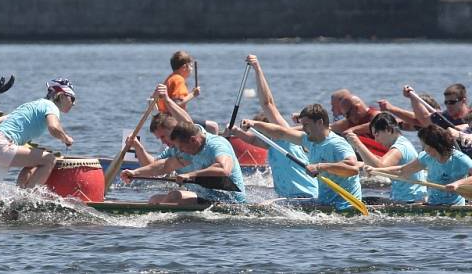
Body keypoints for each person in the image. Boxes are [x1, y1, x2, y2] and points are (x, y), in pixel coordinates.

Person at [225, 54, 317, 199]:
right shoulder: (274, 145)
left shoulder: (286, 138)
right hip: (287, 199)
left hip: (307, 196)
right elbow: (254, 141)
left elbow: (268, 103)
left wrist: (257, 68)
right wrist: (235, 131)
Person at [242, 104, 363, 211]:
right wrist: (255, 124)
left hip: (346, 205)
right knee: (270, 206)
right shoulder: (309, 140)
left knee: (271, 208)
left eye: (306, 124)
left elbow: (353, 168)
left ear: (320, 122)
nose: (303, 128)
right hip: (324, 202)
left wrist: (320, 167)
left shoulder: (337, 144)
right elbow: (281, 133)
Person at [0, 78, 76, 188]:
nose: (74, 103)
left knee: (34, 161)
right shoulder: (51, 106)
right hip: (0, 145)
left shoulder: (31, 105)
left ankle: (21, 193)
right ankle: (31, 197)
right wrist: (66, 138)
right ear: (62, 95)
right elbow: (53, 127)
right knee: (49, 159)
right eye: (72, 98)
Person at [121, 121, 246, 204]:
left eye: (181, 148)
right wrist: (135, 173)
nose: (179, 151)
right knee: (154, 200)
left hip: (230, 201)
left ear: (193, 140)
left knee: (175, 196)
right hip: (204, 197)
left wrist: (190, 175)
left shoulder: (217, 145)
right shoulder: (185, 147)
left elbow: (224, 169)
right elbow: (162, 165)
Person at [365, 125, 472, 206]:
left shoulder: (460, 159)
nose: (423, 149)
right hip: (432, 205)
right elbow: (402, 171)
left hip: (455, 207)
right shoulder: (426, 157)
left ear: (433, 145)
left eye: (424, 145)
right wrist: (376, 170)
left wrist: (458, 183)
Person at [346, 112, 427, 203]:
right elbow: (379, 163)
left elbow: (379, 168)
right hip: (410, 198)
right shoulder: (404, 143)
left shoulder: (399, 148)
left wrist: (358, 144)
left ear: (388, 130)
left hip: (409, 201)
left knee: (362, 201)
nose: (376, 140)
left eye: (377, 135)